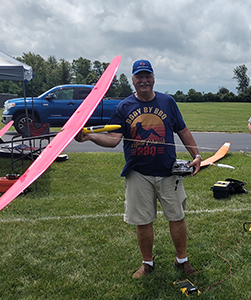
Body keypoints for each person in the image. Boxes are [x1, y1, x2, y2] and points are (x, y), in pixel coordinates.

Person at [75, 59, 202, 278]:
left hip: (168, 171)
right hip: (138, 174)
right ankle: (147, 263)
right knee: (143, 220)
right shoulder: (124, 106)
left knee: (177, 216)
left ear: (153, 78)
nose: (144, 81)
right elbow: (114, 138)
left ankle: (182, 259)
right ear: (133, 80)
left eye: (147, 76)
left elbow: (182, 129)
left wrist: (196, 155)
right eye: (139, 77)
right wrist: (90, 137)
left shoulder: (168, 102)